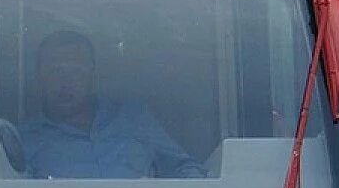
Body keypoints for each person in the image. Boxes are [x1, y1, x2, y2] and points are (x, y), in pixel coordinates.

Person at [21, 29, 204, 179]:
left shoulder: (133, 119)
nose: (65, 81)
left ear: (93, 77)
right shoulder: (22, 142)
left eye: (77, 72)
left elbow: (185, 169)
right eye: (55, 70)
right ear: (39, 77)